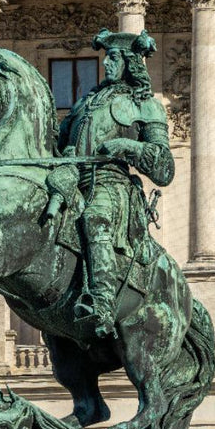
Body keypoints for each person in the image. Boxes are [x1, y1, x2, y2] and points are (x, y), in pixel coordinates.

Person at [56, 28, 174, 337]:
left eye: (114, 58)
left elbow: (164, 167)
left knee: (96, 220)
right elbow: (56, 141)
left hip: (112, 185)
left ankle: (103, 304)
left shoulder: (146, 106)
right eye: (107, 58)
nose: (107, 64)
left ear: (130, 63)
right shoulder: (86, 104)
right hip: (71, 180)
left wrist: (128, 147)